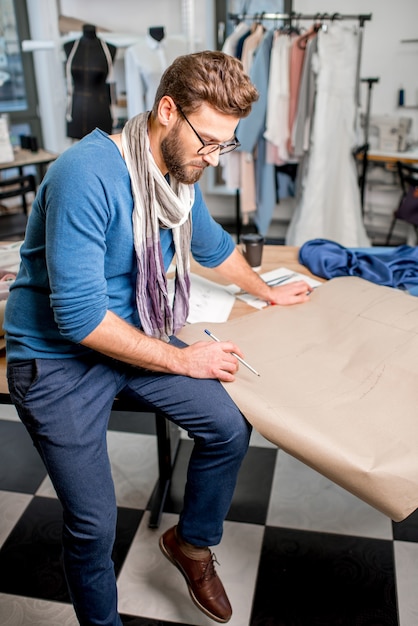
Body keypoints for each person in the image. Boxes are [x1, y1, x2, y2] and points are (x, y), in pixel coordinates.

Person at [4, 51, 312, 625]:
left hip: (134, 332)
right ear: (167, 110)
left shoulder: (178, 176)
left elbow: (211, 245)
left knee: (227, 428)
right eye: (207, 140)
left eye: (226, 144)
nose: (214, 157)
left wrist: (266, 290)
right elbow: (78, 318)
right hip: (58, 357)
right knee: (94, 525)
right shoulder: (85, 174)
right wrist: (182, 359)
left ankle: (190, 545)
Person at [64, 23, 116, 139]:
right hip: (76, 111)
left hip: (100, 110)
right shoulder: (69, 47)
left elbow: (111, 87)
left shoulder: (109, 49)